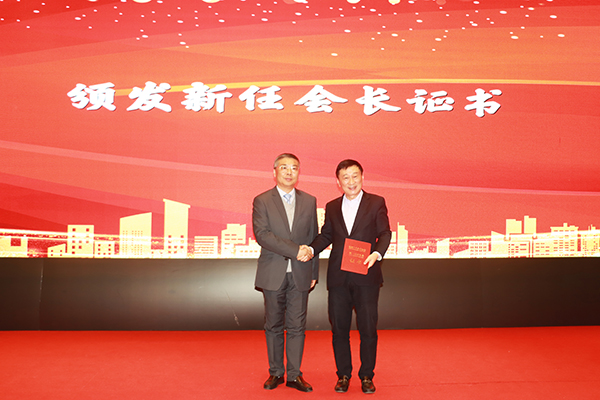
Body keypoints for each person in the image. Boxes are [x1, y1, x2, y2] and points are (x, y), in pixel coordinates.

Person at [308, 159, 391, 394]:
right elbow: (326, 235)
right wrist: (311, 249)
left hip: (366, 275)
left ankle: (367, 376)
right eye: (345, 177)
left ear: (362, 177)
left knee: (368, 329)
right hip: (339, 278)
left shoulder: (376, 202)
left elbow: (385, 233)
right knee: (339, 329)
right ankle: (343, 375)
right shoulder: (332, 206)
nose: (351, 181)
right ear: (338, 182)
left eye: (355, 176)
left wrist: (377, 253)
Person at [253, 153, 319, 392]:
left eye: (294, 168)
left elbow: (313, 237)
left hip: (301, 273)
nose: (289, 172)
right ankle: (276, 372)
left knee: (297, 326)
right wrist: (295, 250)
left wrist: (314, 271)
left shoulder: (309, 201)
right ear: (274, 172)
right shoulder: (262, 200)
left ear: (299, 173)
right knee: (273, 325)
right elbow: (263, 235)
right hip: (273, 273)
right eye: (284, 167)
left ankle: (294, 375)